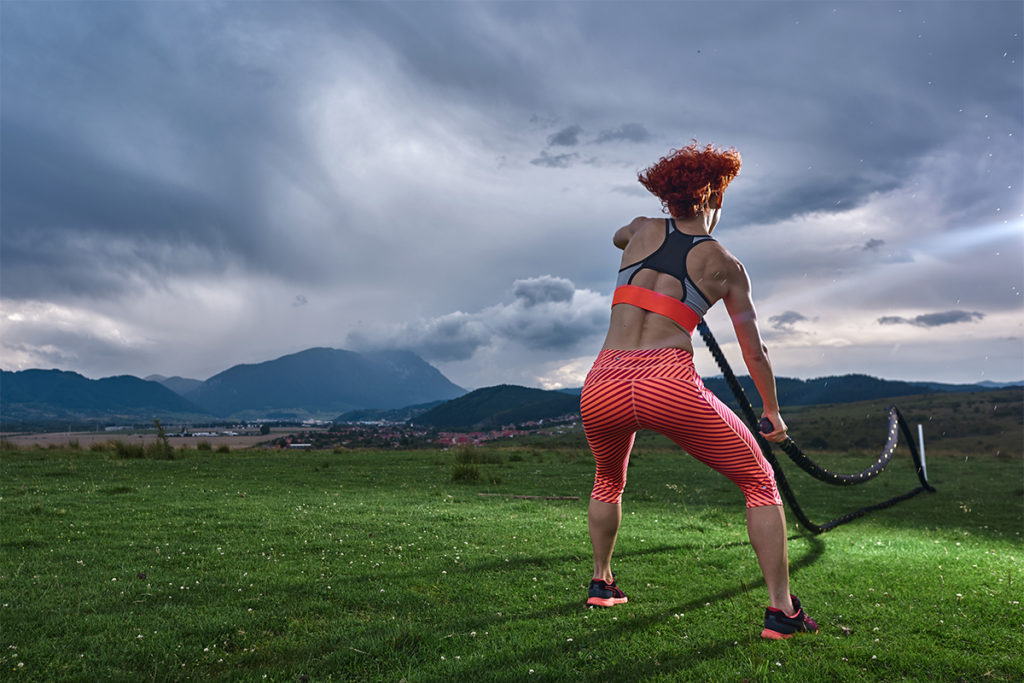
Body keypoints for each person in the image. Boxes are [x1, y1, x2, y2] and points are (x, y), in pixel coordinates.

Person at [581, 141, 818, 639]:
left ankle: (601, 583)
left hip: (603, 378)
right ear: (716, 197)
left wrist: (650, 225)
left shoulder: (641, 228)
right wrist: (772, 410)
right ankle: (782, 610)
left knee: (608, 479)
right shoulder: (726, 266)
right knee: (760, 482)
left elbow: (617, 236)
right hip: (666, 380)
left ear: (668, 196)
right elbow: (755, 352)